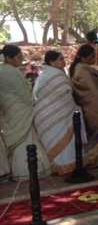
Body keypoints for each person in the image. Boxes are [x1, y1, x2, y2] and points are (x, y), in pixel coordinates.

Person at [0, 45, 51, 180]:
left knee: (18, 141)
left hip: (8, 110)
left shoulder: (2, 70)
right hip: (20, 109)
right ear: (8, 58)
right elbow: (25, 94)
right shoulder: (11, 72)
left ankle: (17, 170)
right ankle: (28, 171)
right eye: (18, 57)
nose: (20, 60)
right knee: (26, 139)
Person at [33, 50, 85, 176]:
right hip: (57, 114)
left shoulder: (44, 75)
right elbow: (65, 94)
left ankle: (65, 166)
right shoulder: (56, 75)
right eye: (60, 59)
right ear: (52, 62)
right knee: (60, 138)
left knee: (62, 140)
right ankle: (65, 166)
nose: (64, 61)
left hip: (46, 115)